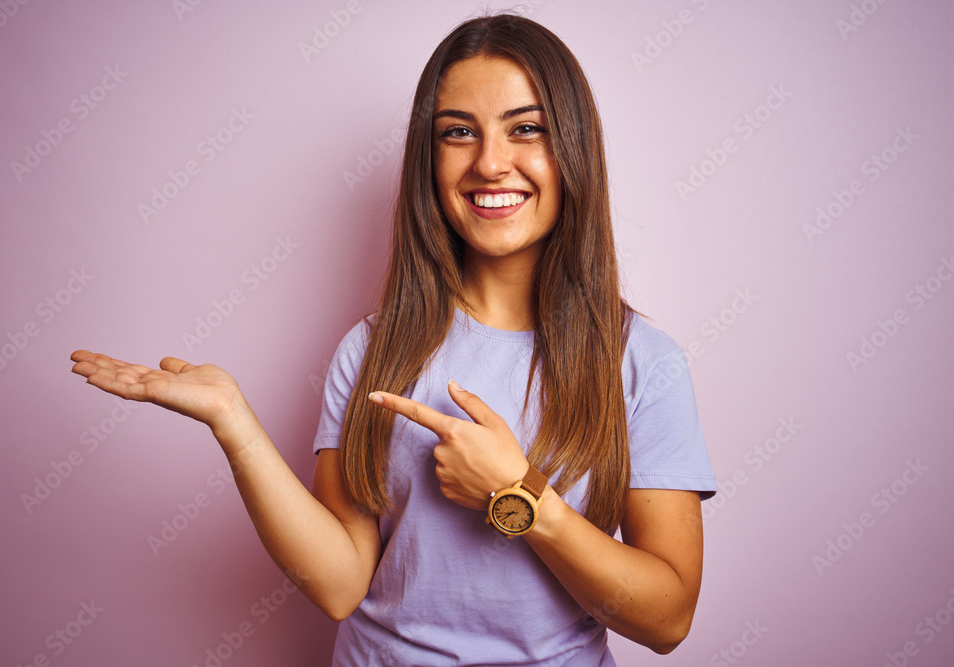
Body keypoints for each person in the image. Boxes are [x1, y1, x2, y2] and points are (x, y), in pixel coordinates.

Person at [70, 13, 716, 665]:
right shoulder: (373, 350)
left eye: (527, 129)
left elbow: (666, 619)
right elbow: (341, 582)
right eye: (458, 133)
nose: (491, 162)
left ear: (572, 147)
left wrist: (520, 494)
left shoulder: (644, 362)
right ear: (428, 160)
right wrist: (233, 422)